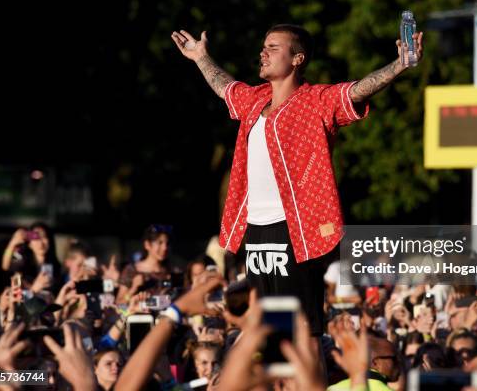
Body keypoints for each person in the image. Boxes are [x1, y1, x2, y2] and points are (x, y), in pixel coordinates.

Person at [171, 23, 423, 336]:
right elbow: (225, 87)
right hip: (255, 229)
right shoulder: (254, 100)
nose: (263, 52)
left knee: (302, 328)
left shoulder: (317, 100)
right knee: (263, 327)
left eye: (273, 47)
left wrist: (399, 65)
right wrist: (200, 58)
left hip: (297, 230)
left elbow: (358, 89)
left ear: (297, 59)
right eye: (264, 46)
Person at [117, 224, 172, 303]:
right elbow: (119, 304)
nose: (165, 248)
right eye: (160, 243)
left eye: (167, 243)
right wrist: (133, 288)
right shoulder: (132, 270)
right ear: (147, 245)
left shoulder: (169, 271)